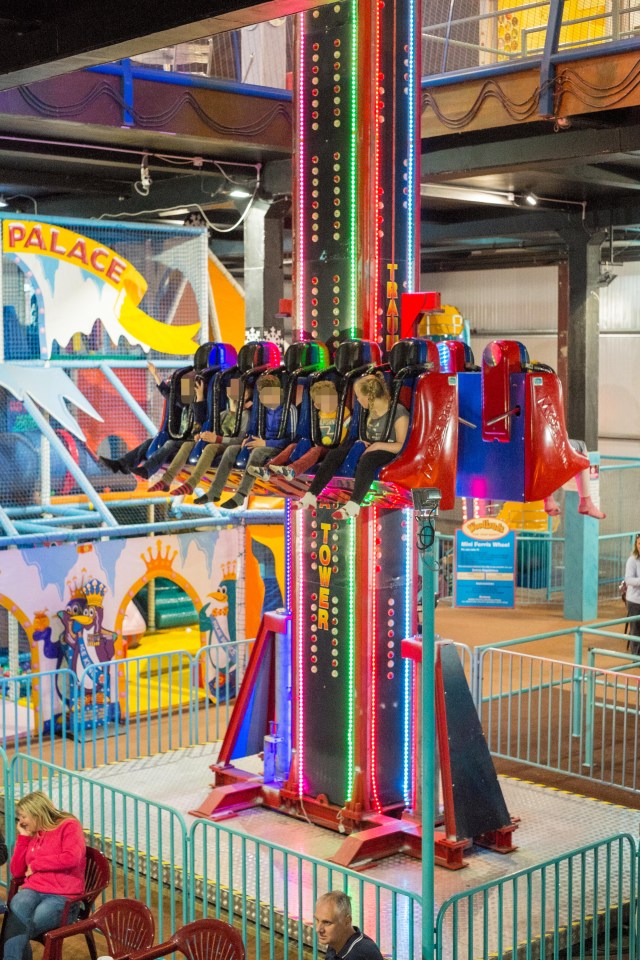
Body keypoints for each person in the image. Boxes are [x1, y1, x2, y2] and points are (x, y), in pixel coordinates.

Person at [293, 372, 409, 520]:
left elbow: (402, 446)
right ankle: (311, 495)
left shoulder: (398, 412)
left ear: (369, 397)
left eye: (359, 396)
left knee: (368, 459)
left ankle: (354, 505)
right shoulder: (370, 413)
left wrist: (377, 445)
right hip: (371, 447)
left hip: (388, 452)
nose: (358, 400)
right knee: (336, 453)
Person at [3, 791, 86, 960]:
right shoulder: (33, 833)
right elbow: (17, 871)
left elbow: (72, 857)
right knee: (18, 906)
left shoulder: (68, 825)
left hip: (62, 896)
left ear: (36, 813)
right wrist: (23, 838)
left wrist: (36, 865)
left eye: (23, 817)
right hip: (33, 890)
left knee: (19, 927)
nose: (21, 822)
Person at [194, 373, 296, 510]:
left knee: (258, 452)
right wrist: (248, 439)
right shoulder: (261, 410)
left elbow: (293, 441)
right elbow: (253, 430)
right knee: (231, 450)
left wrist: (266, 443)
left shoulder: (289, 410)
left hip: (277, 447)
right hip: (260, 442)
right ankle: (214, 491)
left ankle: (241, 494)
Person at [148, 379, 252, 495]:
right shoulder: (222, 414)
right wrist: (202, 436)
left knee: (210, 448)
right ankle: (166, 480)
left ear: (246, 394)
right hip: (216, 441)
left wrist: (218, 439)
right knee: (188, 444)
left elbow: (241, 440)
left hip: (228, 445)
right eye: (230, 387)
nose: (231, 390)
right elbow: (210, 431)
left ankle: (191, 484)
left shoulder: (245, 415)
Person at [250, 379, 351, 482]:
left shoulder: (343, 412)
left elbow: (347, 434)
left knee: (316, 450)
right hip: (319, 446)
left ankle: (292, 470)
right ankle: (267, 470)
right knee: (293, 446)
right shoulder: (318, 415)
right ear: (316, 405)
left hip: (334, 450)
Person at [543, 439, 605, 520]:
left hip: (525, 448)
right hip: (546, 446)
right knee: (581, 447)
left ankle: (548, 499)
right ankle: (586, 502)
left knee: (543, 454)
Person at [314, 891, 383, 960]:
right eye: (317, 920)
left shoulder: (360, 954)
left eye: (327, 922)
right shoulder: (335, 942)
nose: (318, 929)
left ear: (347, 921)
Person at [625, 533, 640, 655]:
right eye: (639, 543)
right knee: (636, 630)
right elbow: (628, 580)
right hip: (635, 601)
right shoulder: (632, 560)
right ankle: (636, 658)